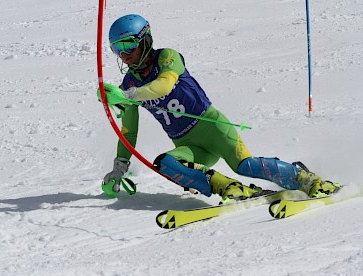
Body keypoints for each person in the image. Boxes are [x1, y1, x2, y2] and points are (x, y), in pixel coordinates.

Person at [101, 14, 340, 202]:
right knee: (166, 163)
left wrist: (126, 95)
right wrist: (119, 168)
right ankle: (229, 188)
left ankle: (306, 179)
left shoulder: (167, 57)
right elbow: (128, 131)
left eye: (128, 45)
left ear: (145, 40)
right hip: (189, 146)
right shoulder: (129, 84)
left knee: (245, 165)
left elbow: (164, 85)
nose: (123, 54)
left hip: (213, 128)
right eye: (116, 48)